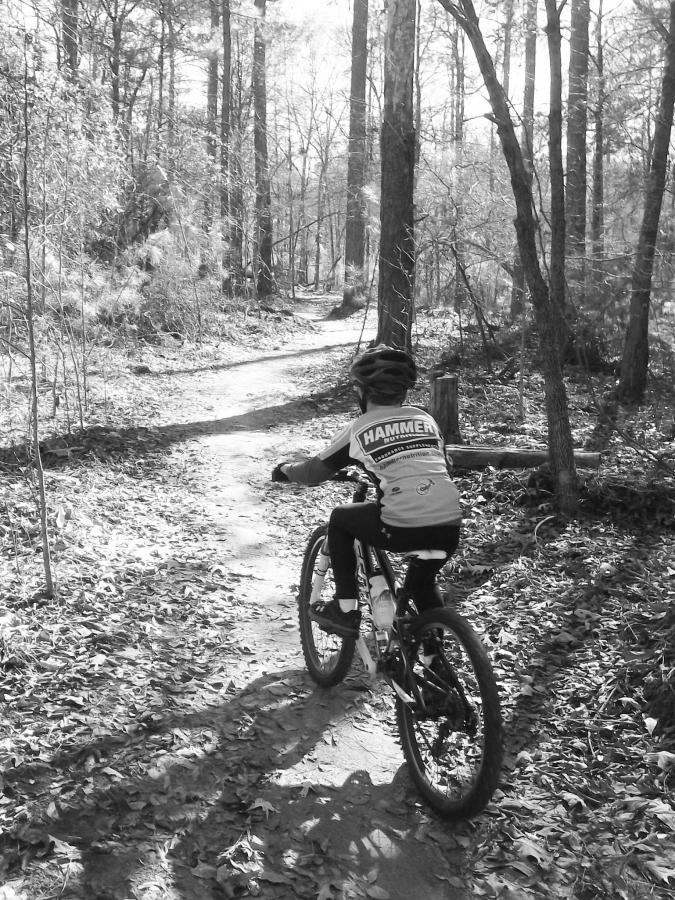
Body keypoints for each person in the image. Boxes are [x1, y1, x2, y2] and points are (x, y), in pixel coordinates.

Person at [271, 344, 462, 638]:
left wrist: (285, 469)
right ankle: (434, 659)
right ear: (404, 391)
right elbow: (443, 465)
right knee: (423, 584)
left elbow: (312, 473)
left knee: (341, 518)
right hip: (449, 525)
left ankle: (345, 609)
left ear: (361, 392)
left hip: (401, 526)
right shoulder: (426, 420)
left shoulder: (358, 429)